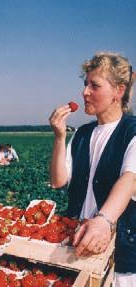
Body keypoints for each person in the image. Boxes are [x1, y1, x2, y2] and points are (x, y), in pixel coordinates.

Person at [49, 52, 136, 286]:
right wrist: (59, 137)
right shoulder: (82, 134)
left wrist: (103, 221)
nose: (85, 92)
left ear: (119, 91)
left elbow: (130, 179)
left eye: (94, 85)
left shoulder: (132, 132)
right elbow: (58, 181)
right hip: (78, 246)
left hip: (118, 259)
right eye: (85, 84)